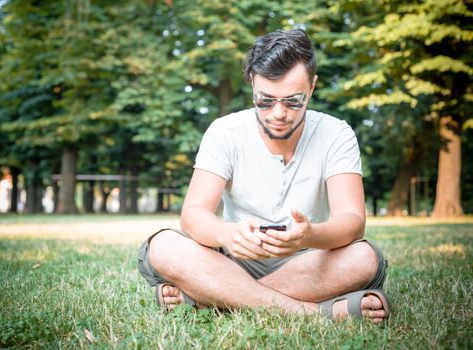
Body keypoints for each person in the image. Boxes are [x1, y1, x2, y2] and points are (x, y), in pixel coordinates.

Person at [137, 28, 390, 323]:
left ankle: (208, 299)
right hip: (236, 261)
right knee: (164, 246)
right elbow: (193, 214)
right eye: (265, 101)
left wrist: (310, 235)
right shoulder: (225, 132)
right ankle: (316, 313)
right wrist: (227, 235)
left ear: (312, 88)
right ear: (251, 87)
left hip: (310, 260)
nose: (279, 113)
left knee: (364, 258)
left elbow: (352, 222)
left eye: (293, 101)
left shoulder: (336, 133)